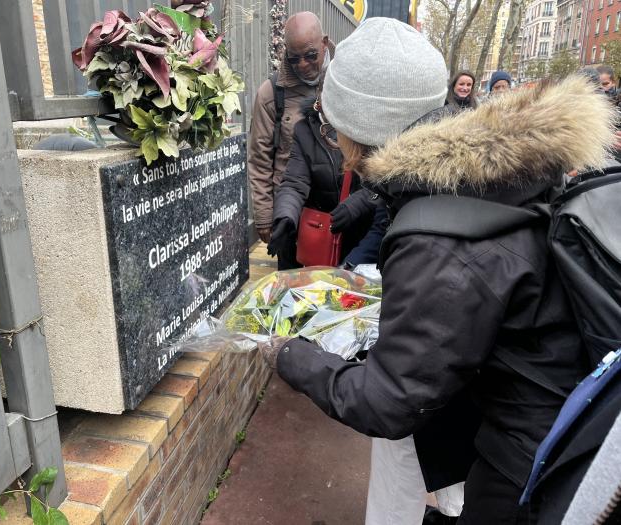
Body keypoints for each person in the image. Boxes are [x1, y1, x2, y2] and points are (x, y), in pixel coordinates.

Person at [260, 16, 616, 525]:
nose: (333, 139)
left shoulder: (434, 234)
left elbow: (386, 401)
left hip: (532, 459)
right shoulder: (482, 175)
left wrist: (290, 355)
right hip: (558, 411)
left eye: (336, 123)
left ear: (360, 130)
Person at [247, 12, 333, 268]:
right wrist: (263, 216)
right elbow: (259, 158)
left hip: (334, 211)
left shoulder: (344, 82)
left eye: (310, 56)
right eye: (294, 58)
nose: (303, 65)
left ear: (324, 43)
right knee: (291, 293)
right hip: (290, 214)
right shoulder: (272, 93)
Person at [267, 94, 378, 269]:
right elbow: (295, 182)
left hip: (363, 236)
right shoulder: (306, 129)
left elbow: (385, 180)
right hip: (322, 234)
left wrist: (357, 204)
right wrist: (285, 216)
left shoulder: (372, 124)